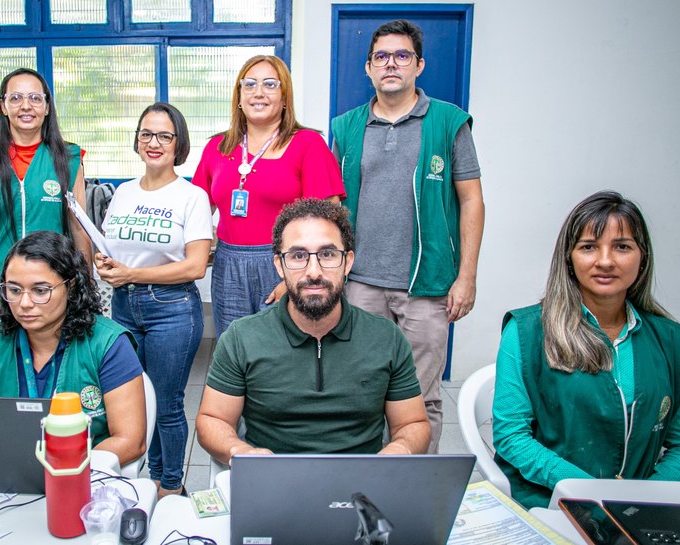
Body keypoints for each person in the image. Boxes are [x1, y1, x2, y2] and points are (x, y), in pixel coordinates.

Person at [492, 191, 680, 509]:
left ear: (643, 257)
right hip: (550, 502)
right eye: (588, 247)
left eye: (622, 247)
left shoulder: (671, 342)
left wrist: (643, 502)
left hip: (640, 509)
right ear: (569, 258)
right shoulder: (526, 332)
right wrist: (592, 493)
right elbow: (511, 436)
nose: (605, 261)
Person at [330, 19, 484, 453]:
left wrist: (466, 277)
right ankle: (365, 479)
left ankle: (414, 484)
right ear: (368, 68)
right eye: (381, 57)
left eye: (402, 56)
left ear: (419, 65)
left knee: (421, 398)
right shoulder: (346, 127)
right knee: (362, 392)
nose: (391, 64)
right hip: (360, 285)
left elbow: (472, 201)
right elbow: (332, 206)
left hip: (427, 286)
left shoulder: (449, 122)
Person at [196, 199, 430, 464]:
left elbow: (413, 424)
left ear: (347, 262)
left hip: (363, 480)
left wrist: (401, 448)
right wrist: (240, 451)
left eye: (328, 254)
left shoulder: (386, 338)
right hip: (274, 479)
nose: (314, 272)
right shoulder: (241, 338)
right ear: (279, 265)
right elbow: (213, 419)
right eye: (298, 256)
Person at [95, 102, 213, 498]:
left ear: (179, 144)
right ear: (137, 141)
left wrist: (132, 274)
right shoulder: (124, 193)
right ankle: (149, 477)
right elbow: (113, 248)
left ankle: (169, 486)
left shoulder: (192, 196)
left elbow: (195, 266)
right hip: (123, 306)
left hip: (171, 309)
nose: (154, 142)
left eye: (165, 135)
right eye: (146, 134)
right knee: (133, 401)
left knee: (166, 403)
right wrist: (104, 263)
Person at [0, 231, 146, 466]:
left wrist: (55, 468)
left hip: (82, 476)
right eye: (14, 290)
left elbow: (129, 441)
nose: (24, 303)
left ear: (71, 286)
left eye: (40, 291)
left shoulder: (108, 344)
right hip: (1, 472)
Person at [192, 55, 345, 338]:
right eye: (249, 84)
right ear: (239, 96)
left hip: (284, 263)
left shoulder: (308, 144)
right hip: (228, 265)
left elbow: (329, 222)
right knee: (234, 346)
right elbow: (195, 210)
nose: (258, 92)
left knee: (283, 349)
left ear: (285, 98)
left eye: (270, 84)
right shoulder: (217, 147)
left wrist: (295, 276)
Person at [0, 68, 91, 331]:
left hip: (53, 290)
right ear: (3, 106)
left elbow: (79, 229)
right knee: (2, 357)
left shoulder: (69, 158)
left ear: (47, 106)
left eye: (35, 98)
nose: (25, 106)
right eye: (15, 98)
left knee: (54, 358)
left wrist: (85, 289)